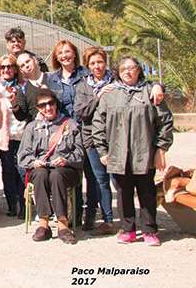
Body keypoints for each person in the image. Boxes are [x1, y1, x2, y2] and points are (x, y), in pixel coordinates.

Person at [92, 56, 174, 246]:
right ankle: (128, 229)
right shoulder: (110, 94)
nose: (127, 72)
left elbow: (165, 121)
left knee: (147, 192)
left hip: (144, 153)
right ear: (118, 72)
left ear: (139, 70)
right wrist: (103, 151)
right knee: (123, 192)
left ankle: (149, 230)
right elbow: (98, 123)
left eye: (131, 68)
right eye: (123, 69)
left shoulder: (150, 92)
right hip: (118, 154)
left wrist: (161, 148)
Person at [18, 89, 84, 244]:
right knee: (41, 174)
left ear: (56, 104)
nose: (48, 108)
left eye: (51, 103)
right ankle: (43, 224)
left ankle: (62, 224)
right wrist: (34, 162)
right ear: (38, 108)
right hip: (41, 168)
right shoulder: (32, 127)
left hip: (66, 170)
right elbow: (22, 155)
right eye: (43, 105)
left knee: (56, 175)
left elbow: (80, 153)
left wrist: (66, 160)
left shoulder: (71, 125)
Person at [73, 47, 116, 234]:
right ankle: (107, 220)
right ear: (87, 66)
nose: (97, 66)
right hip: (91, 138)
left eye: (100, 62)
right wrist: (98, 97)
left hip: (115, 137)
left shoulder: (116, 81)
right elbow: (81, 112)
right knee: (99, 180)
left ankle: (126, 220)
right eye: (92, 63)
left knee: (118, 180)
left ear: (105, 62)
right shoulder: (83, 86)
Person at [0, 54, 29, 217]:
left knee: (22, 171)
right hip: (5, 137)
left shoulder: (23, 86)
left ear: (15, 69)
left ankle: (24, 205)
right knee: (8, 171)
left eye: (9, 66)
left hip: (23, 135)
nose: (6, 70)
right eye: (2, 67)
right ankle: (12, 205)